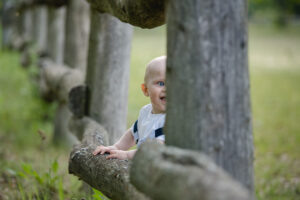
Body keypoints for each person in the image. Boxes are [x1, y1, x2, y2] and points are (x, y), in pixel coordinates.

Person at [93, 56, 167, 160]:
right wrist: (116, 147)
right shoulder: (146, 111)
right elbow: (132, 134)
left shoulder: (170, 120)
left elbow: (155, 150)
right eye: (161, 83)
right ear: (145, 90)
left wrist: (127, 155)